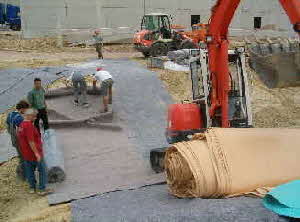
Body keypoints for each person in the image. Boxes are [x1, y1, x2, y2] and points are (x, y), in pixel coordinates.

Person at [17, 108, 53, 195]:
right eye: (34, 116)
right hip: (34, 153)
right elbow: (31, 141)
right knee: (42, 170)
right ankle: (42, 189)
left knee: (30, 171)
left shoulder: (21, 125)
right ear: (29, 116)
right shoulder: (29, 126)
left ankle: (32, 188)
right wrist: (37, 153)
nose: (36, 118)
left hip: (26, 154)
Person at [6, 100, 30, 180]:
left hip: (14, 140)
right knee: (24, 157)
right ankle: (22, 174)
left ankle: (22, 172)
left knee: (21, 156)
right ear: (22, 109)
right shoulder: (19, 118)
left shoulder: (10, 114)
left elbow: (8, 127)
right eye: (26, 110)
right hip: (20, 141)